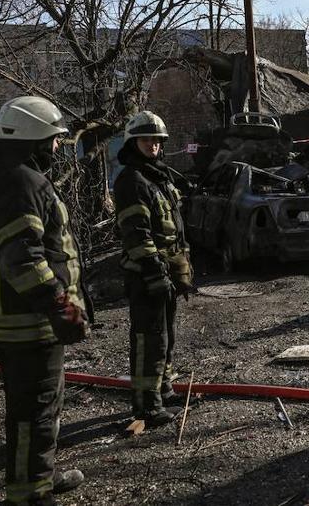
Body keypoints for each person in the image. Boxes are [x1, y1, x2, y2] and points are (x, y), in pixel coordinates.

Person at [0, 96, 89, 505]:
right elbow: (22, 258)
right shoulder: (20, 182)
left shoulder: (4, 175)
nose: (57, 147)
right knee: (33, 414)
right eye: (54, 139)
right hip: (28, 323)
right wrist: (59, 305)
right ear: (34, 138)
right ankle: (30, 495)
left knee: (42, 407)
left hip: (17, 319)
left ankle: (42, 474)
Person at [113, 110, 196, 428]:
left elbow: (174, 228)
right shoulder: (131, 181)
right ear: (134, 143)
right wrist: (153, 273)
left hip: (166, 273)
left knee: (166, 337)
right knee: (150, 340)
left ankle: (165, 390)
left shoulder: (157, 177)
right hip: (146, 275)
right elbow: (137, 234)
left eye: (158, 141)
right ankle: (147, 405)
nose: (154, 146)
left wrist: (181, 269)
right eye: (147, 140)